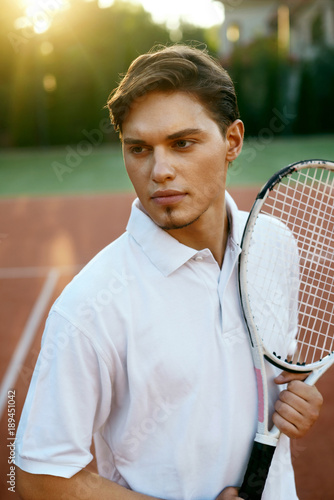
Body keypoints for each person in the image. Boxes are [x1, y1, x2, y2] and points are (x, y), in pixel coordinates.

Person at [16, 44, 323, 500]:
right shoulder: (91, 306)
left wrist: (299, 401)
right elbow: (40, 477)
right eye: (139, 149)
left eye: (182, 143)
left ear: (232, 142)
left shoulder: (275, 242)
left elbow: (275, 373)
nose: (159, 170)